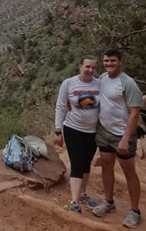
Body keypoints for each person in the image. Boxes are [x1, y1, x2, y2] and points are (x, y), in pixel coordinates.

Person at [92, 49, 143, 229]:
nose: (109, 64)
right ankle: (109, 202)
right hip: (104, 131)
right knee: (106, 165)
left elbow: (134, 113)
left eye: (113, 61)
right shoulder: (103, 79)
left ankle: (135, 211)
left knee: (129, 171)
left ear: (120, 62)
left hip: (122, 134)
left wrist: (125, 138)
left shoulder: (128, 83)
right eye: (106, 61)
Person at [54, 55, 101, 213]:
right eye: (87, 66)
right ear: (80, 66)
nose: (90, 70)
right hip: (73, 129)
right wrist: (58, 131)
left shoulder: (99, 84)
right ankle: (74, 201)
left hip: (93, 131)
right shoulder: (69, 83)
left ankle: (83, 194)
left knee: (86, 163)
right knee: (76, 163)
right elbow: (60, 106)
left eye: (93, 67)